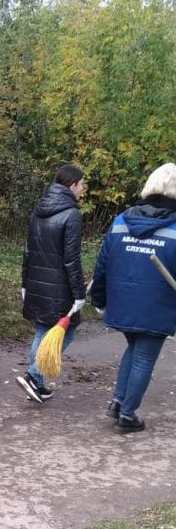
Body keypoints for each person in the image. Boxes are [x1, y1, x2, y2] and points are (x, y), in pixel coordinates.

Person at [91, 162, 176, 434]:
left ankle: (118, 401)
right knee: (143, 357)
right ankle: (128, 415)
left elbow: (102, 264)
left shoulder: (121, 220)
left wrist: (99, 299)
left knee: (133, 349)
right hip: (157, 306)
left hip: (123, 302)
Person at [16, 163, 86, 404]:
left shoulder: (39, 210)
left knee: (42, 330)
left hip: (37, 283)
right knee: (66, 332)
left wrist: (25, 283)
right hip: (59, 289)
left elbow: (28, 251)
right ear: (72, 184)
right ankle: (34, 375)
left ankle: (37, 383)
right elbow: (71, 259)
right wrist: (79, 293)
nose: (83, 189)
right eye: (81, 184)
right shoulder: (72, 214)